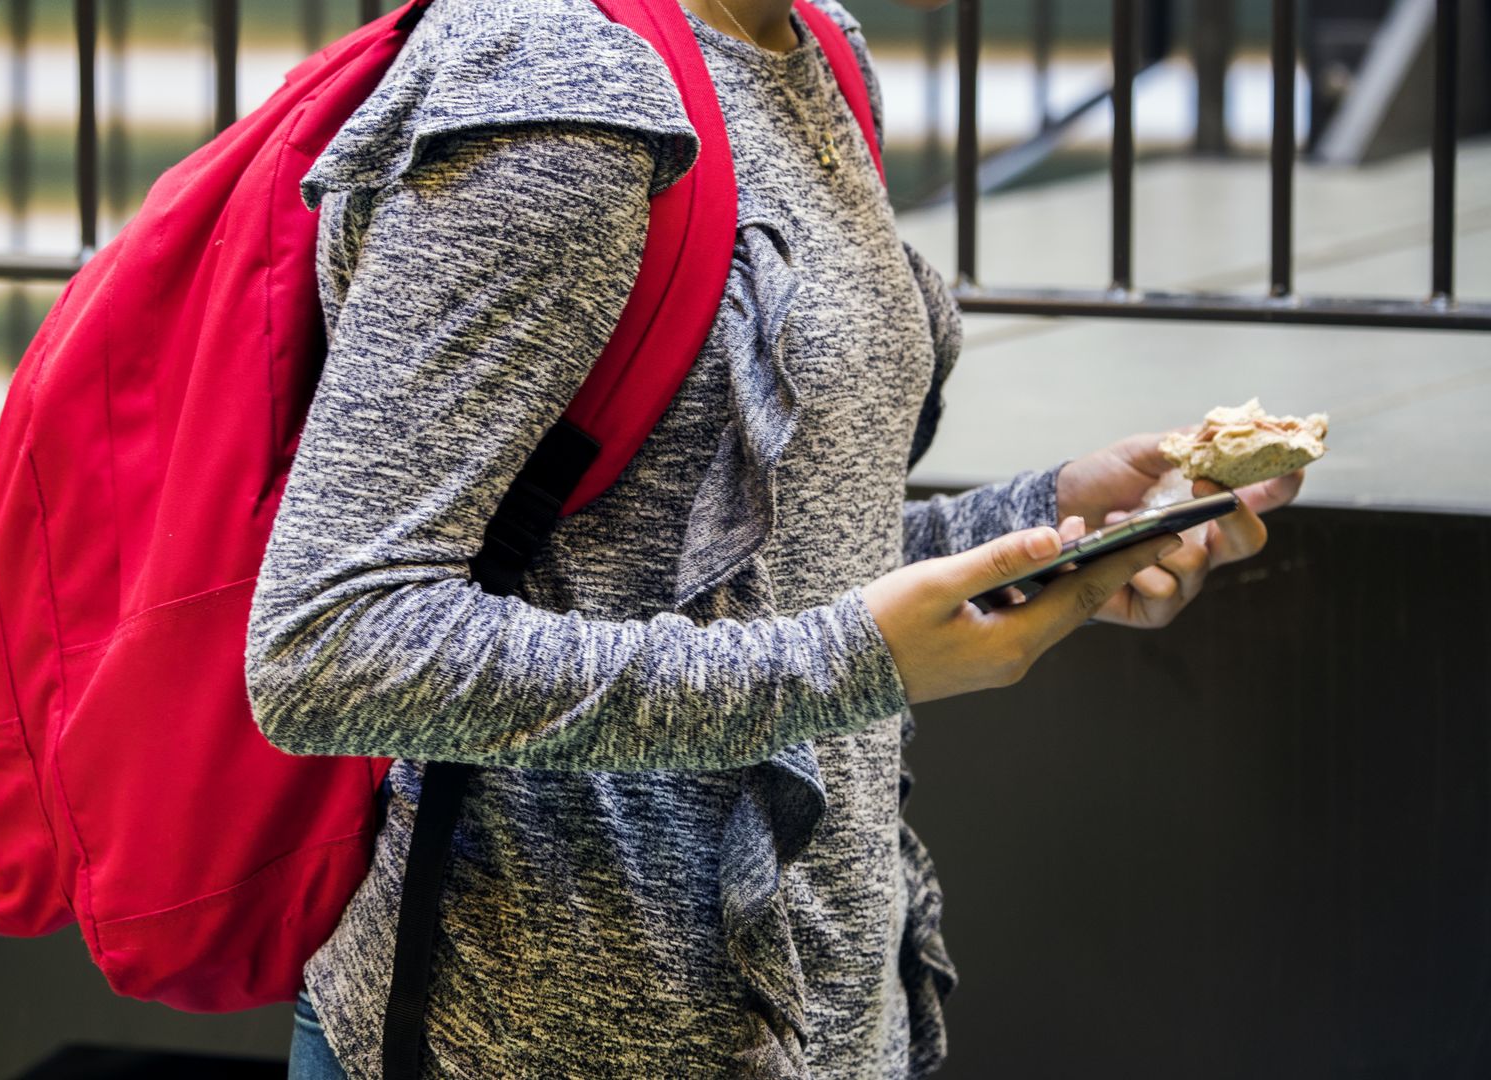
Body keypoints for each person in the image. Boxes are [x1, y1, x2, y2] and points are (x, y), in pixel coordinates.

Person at [244, 0, 1305, 1076]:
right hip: (538, 1043)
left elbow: (761, 556)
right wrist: (847, 664)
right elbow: (328, 644)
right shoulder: (559, 91)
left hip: (829, 1024)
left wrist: (1039, 525)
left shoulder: (816, 45)